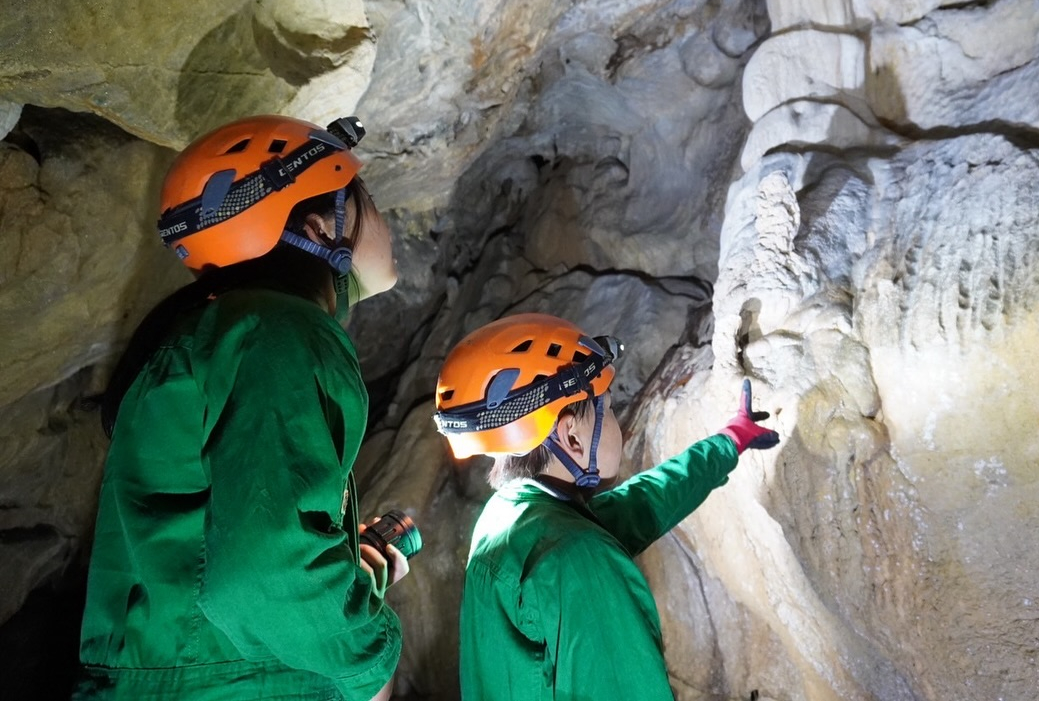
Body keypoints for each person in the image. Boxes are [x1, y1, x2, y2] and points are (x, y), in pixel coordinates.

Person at [72, 114, 407, 701]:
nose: (385, 218)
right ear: (318, 226)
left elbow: (223, 545)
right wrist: (367, 659)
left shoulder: (222, 331)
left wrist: (341, 565)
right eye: (367, 199)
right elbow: (260, 577)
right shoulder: (275, 332)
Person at [432, 312, 781, 701]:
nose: (617, 422)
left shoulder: (509, 517)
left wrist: (728, 443)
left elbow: (642, 503)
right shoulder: (579, 560)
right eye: (609, 408)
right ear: (572, 436)